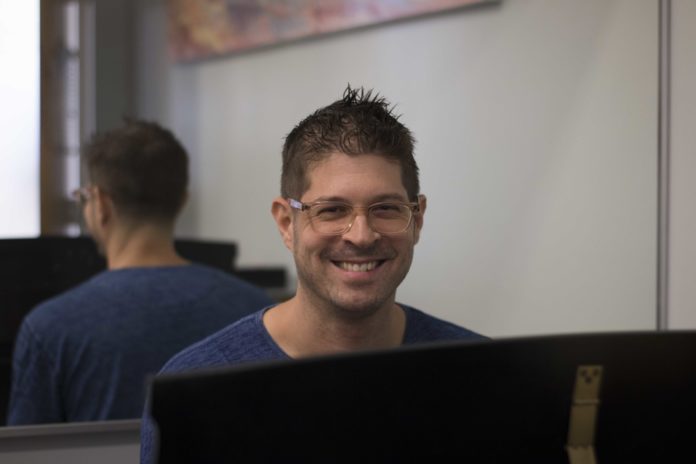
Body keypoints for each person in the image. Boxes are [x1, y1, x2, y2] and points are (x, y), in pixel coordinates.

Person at [139, 86, 486, 462]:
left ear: (416, 220)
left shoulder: (484, 379)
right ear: (287, 222)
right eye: (332, 210)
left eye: (385, 208)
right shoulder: (196, 388)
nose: (362, 235)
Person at [6, 119, 274, 425]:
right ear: (182, 200)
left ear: (101, 204)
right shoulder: (257, 308)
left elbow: (26, 452)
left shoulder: (48, 327)